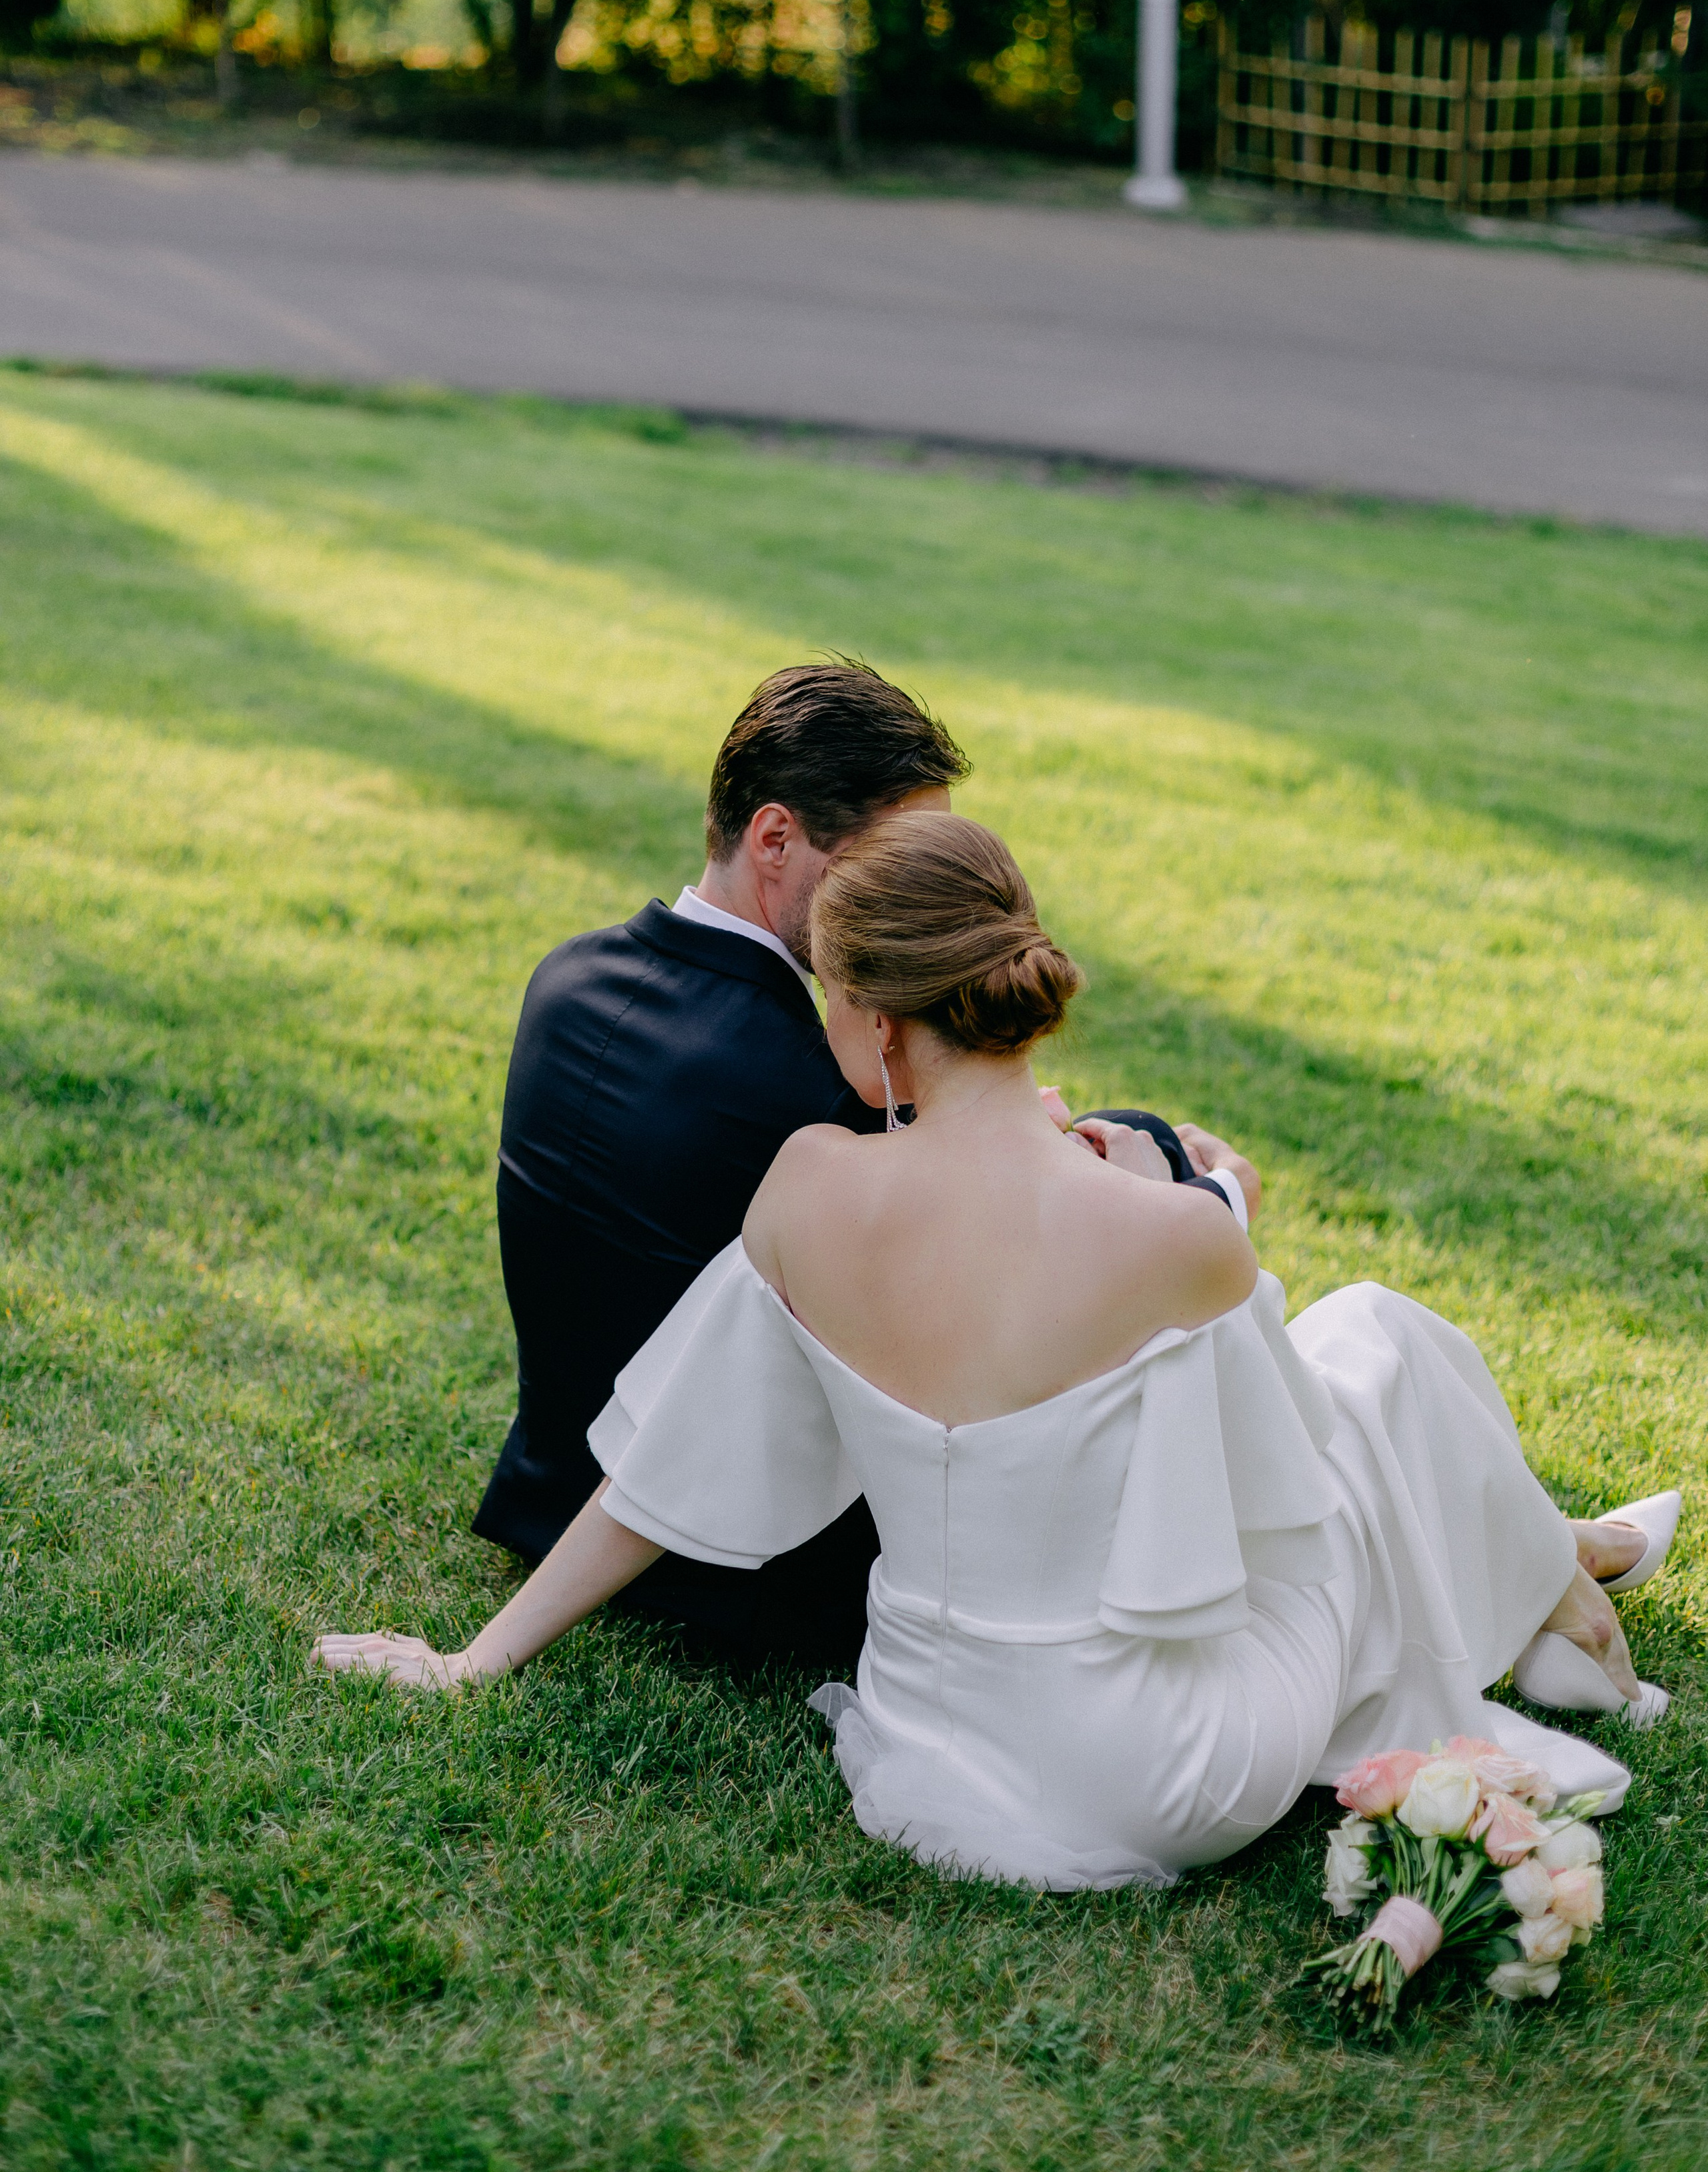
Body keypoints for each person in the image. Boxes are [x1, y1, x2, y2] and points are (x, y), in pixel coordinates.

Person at [316, 815, 1677, 1890]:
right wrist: (1219, 1204)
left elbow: (661, 1473)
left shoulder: (802, 1192)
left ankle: (1548, 1578)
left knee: (1362, 1379)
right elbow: (1289, 1483)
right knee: (1371, 1352)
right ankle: (1550, 1584)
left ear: (875, 1012)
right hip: (1166, 1779)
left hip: (930, 1751)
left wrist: (467, 1660)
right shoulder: (1165, 1233)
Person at [470, 658, 1244, 1669]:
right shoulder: (816, 1099)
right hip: (746, 1573)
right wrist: (1196, 1187)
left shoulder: (565, 976)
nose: (906, 890)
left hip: (545, 1488)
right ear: (776, 837)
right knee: (1148, 1146)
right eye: (889, 857)